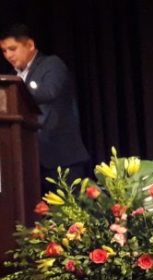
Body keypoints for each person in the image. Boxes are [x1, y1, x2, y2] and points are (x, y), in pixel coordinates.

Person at [0, 23, 90, 191]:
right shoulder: (13, 78)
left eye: (13, 49)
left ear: (30, 45)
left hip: (61, 159)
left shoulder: (52, 65)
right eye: (4, 51)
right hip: (29, 162)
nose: (8, 55)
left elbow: (49, 93)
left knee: (70, 214)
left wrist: (14, 95)